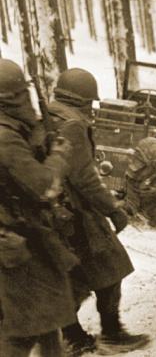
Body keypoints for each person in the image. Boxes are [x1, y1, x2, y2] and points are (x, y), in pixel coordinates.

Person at [48, 68, 149, 355]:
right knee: (111, 267)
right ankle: (112, 334)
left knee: (73, 275)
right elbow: (84, 177)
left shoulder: (49, 115)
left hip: (57, 211)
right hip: (78, 212)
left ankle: (72, 336)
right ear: (82, 99)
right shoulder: (72, 124)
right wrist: (112, 209)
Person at [0, 58, 78, 357]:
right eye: (22, 93)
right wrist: (58, 155)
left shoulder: (11, 131)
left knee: (47, 320)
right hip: (17, 241)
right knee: (23, 330)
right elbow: (43, 185)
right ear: (11, 98)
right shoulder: (6, 139)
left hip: (26, 236)